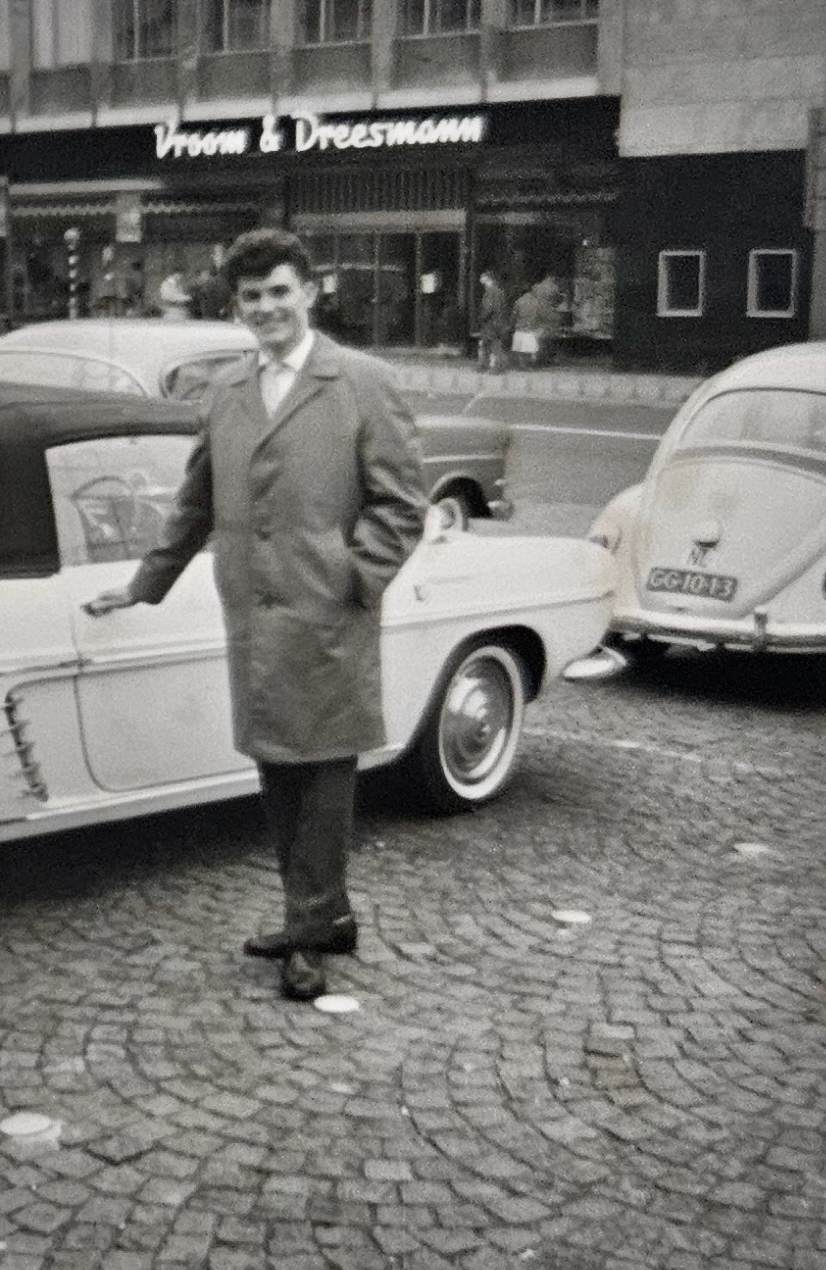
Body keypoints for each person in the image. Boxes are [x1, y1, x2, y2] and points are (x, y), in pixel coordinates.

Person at [84, 228, 428, 1002]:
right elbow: (194, 504)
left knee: (323, 778)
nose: (267, 307)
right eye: (251, 297)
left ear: (309, 292)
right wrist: (143, 584)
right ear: (237, 308)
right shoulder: (227, 391)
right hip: (254, 619)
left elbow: (404, 504)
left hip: (328, 616)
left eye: (279, 291)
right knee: (277, 770)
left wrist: (352, 577)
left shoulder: (362, 382)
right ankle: (326, 914)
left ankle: (308, 933)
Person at [477, 269, 508, 373]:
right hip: (499, 321)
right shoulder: (499, 291)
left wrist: (482, 317)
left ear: (488, 278)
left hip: (491, 322)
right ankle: (484, 366)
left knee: (493, 345)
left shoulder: (491, 291)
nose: (480, 279)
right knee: (490, 344)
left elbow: (489, 308)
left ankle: (496, 367)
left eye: (482, 277)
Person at [510, 284, 541, 368]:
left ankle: (523, 365)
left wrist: (512, 325)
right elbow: (540, 315)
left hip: (520, 328)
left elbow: (514, 315)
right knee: (532, 349)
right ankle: (532, 364)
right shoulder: (536, 302)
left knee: (520, 350)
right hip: (532, 328)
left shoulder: (519, 301)